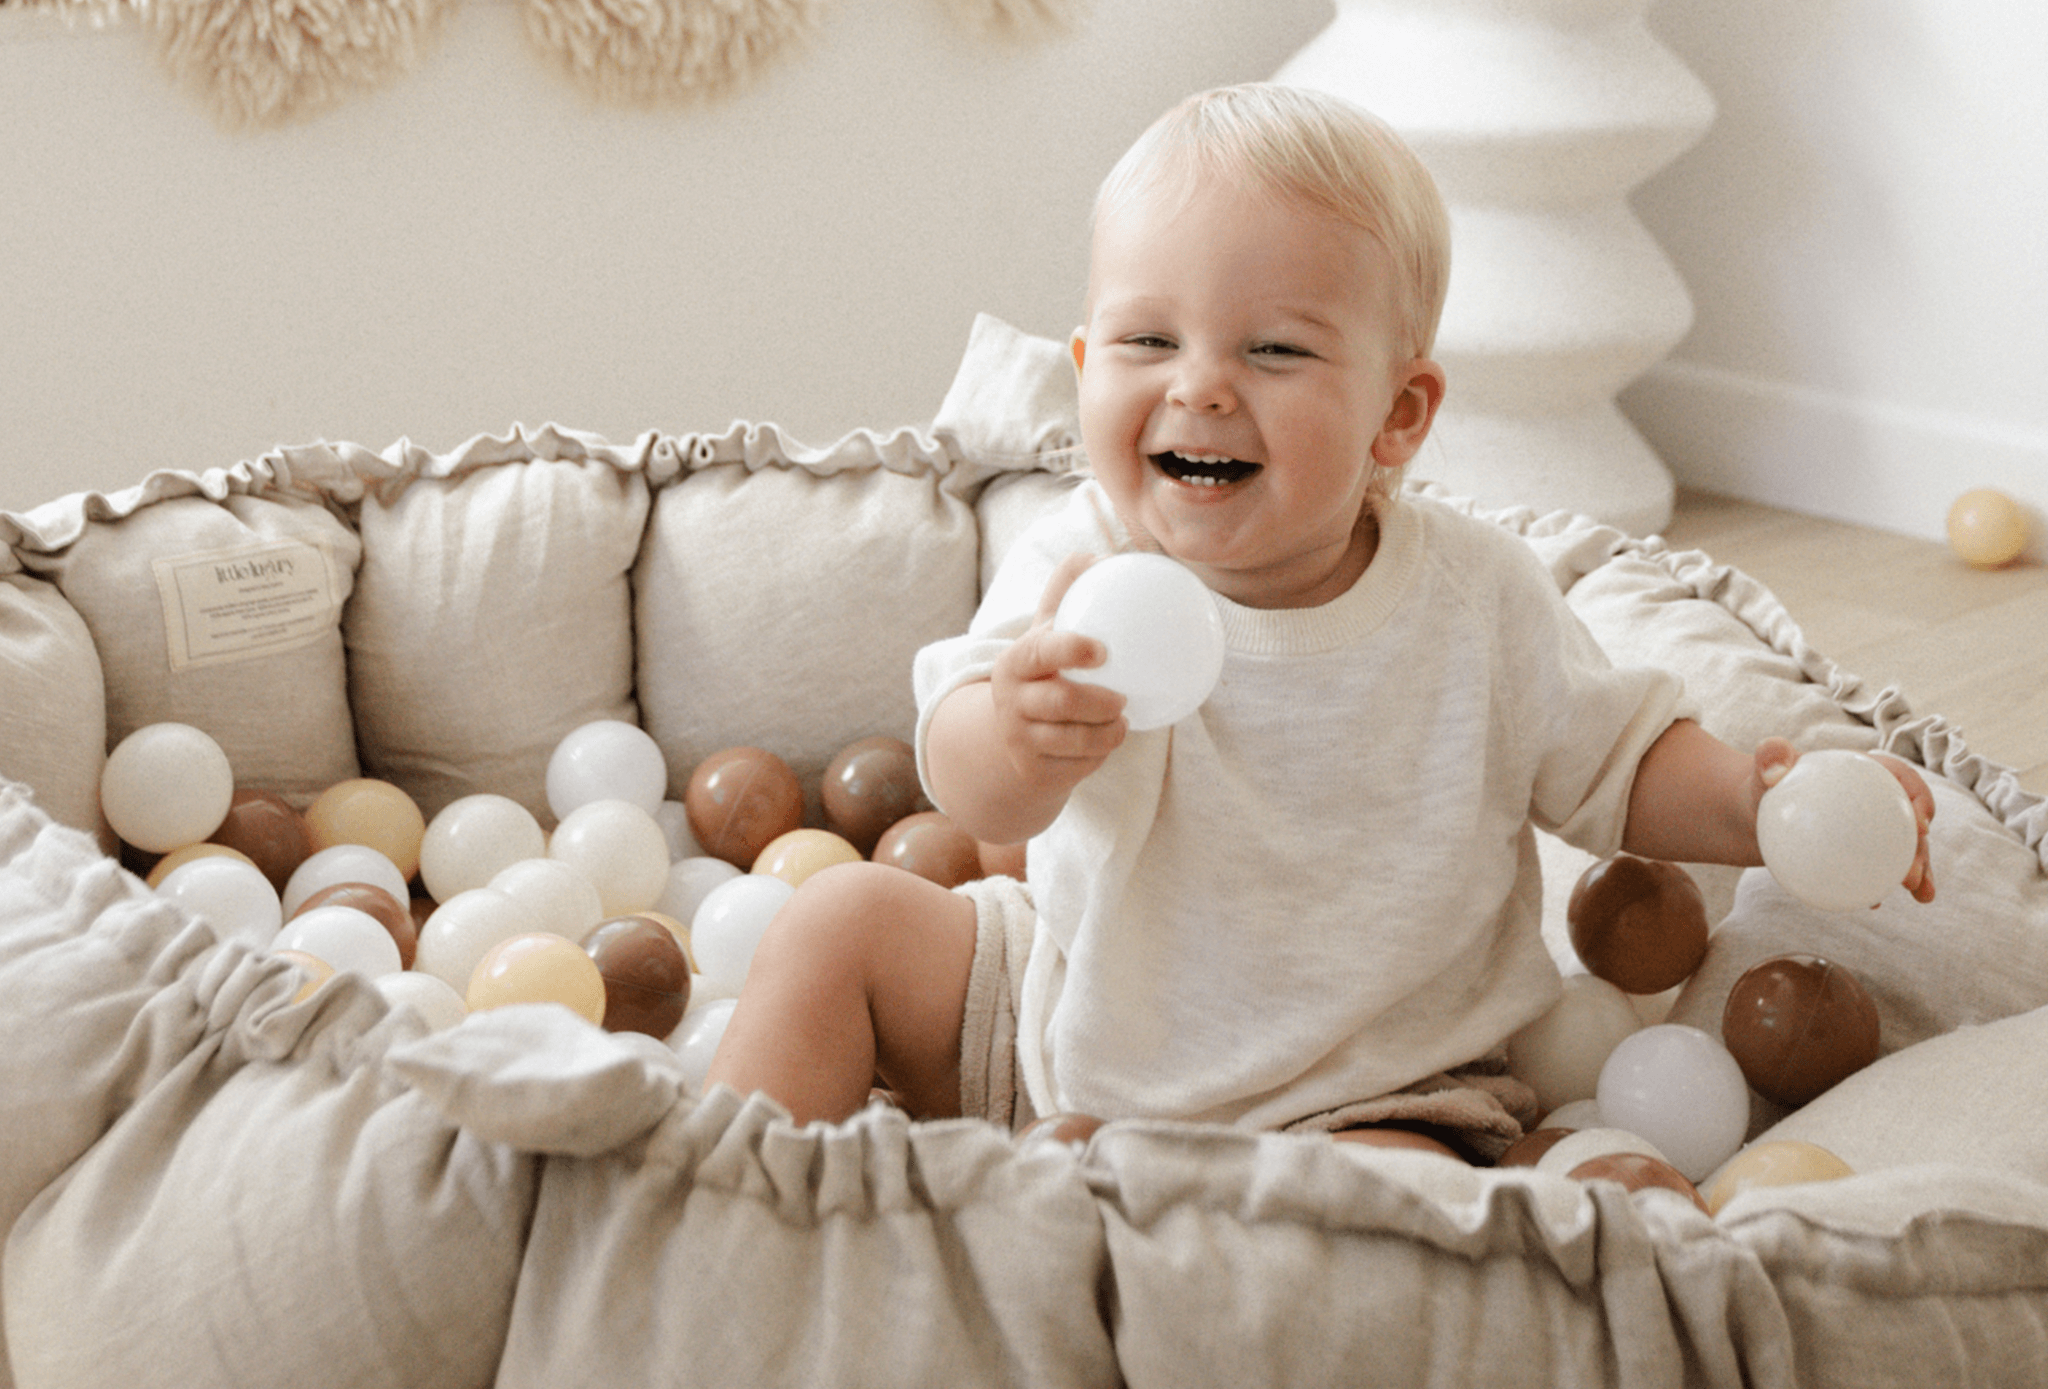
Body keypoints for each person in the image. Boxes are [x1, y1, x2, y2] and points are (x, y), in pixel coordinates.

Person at [704, 82, 1936, 1160]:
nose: (1197, 383)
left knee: (1391, 1223)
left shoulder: (1477, 598)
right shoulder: (1078, 562)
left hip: (1366, 1095)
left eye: (1276, 349)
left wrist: (1765, 804)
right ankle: (709, 1216)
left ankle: (1167, 1250)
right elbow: (975, 795)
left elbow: (1618, 766)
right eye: (1144, 340)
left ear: (1395, 416)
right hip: (1061, 1032)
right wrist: (1015, 736)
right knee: (840, 920)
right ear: (1082, 367)